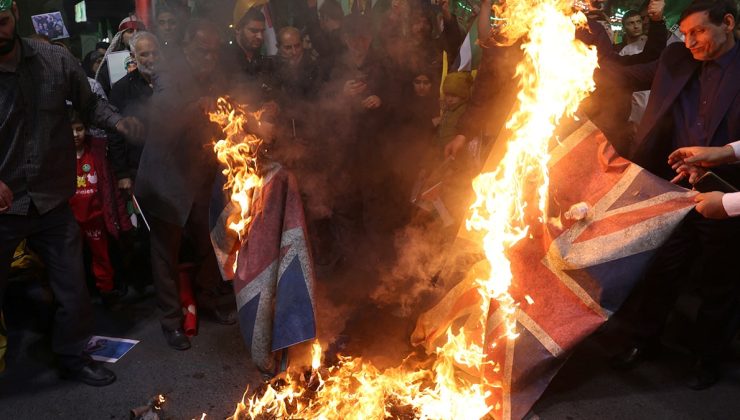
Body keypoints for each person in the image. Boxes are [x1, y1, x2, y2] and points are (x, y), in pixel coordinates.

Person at [0, 0, 142, 386]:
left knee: (73, 287)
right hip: (4, 206)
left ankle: (72, 356)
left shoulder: (53, 60)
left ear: (14, 15)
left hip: (51, 199)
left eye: (2, 22)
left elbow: (90, 103)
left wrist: (119, 122)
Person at [608, 0, 739, 390]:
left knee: (720, 280)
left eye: (698, 31)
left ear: (728, 23)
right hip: (674, 184)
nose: (690, 41)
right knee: (661, 269)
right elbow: (629, 75)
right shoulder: (676, 58)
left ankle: (706, 357)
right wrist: (579, 66)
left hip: (728, 190)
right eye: (683, 33)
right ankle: (644, 341)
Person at [135, 20, 236, 351]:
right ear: (188, 47)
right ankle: (171, 321)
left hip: (200, 175)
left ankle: (206, 297)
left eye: (213, 52)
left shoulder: (215, 73)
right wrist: (194, 107)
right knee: (166, 251)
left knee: (208, 240)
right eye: (201, 51)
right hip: (168, 177)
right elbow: (163, 114)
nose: (208, 57)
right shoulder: (170, 74)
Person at [68, 111, 132, 304]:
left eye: (79, 129)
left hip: (95, 217)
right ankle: (75, 299)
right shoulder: (61, 158)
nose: (76, 134)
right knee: (71, 261)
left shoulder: (94, 153)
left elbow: (106, 185)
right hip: (71, 220)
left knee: (102, 257)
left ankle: (106, 291)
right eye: (71, 131)